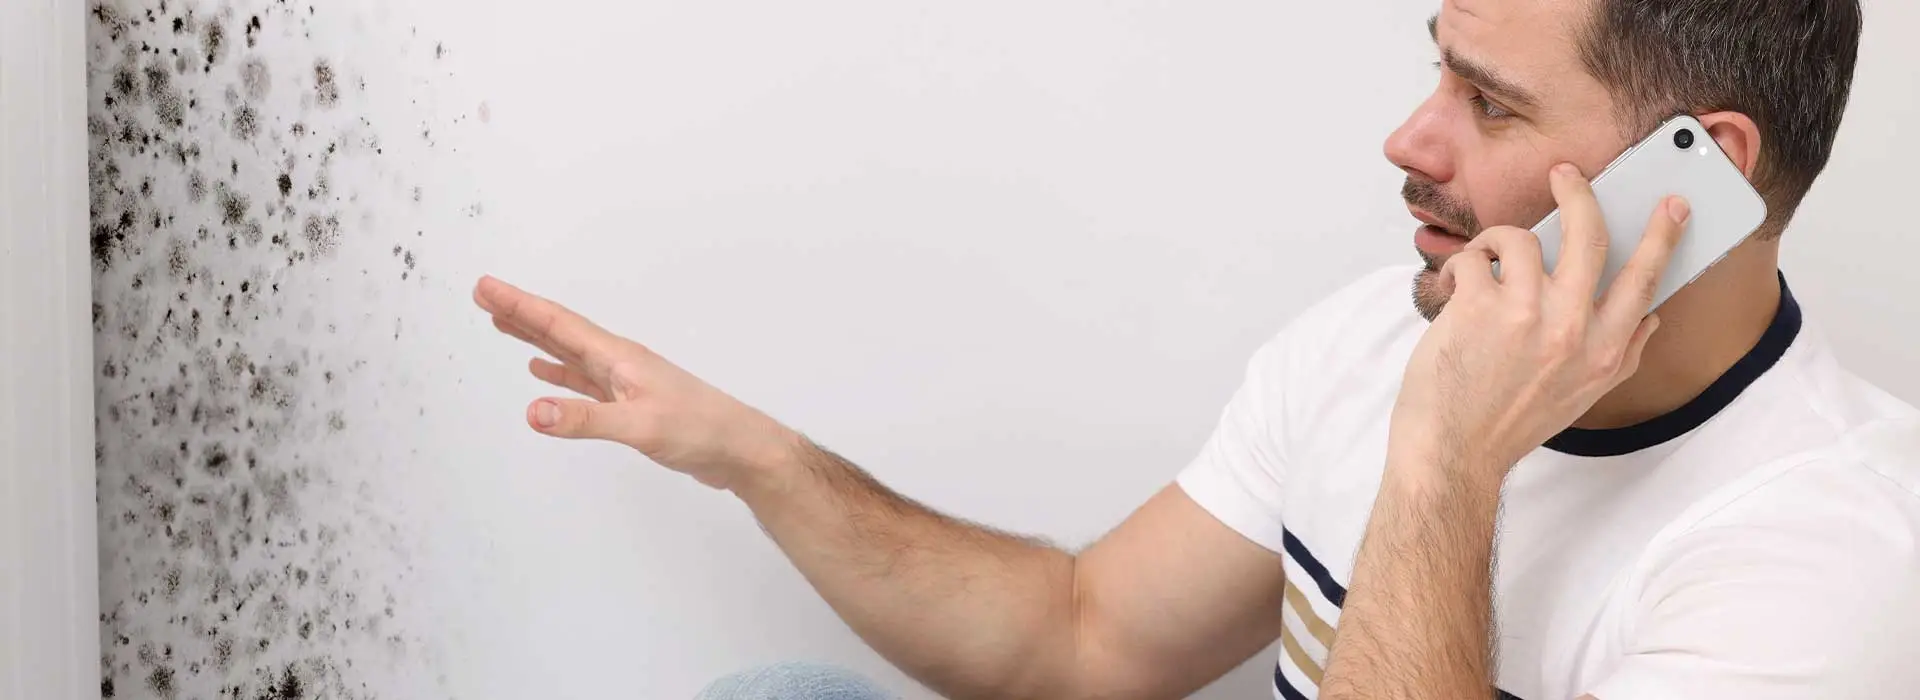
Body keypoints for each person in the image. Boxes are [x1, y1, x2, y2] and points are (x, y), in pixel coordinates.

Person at [472, 0, 1920, 698]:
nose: (1408, 141)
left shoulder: (1827, 566)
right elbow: (1084, 640)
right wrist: (760, 459)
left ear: (1691, 182)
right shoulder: (1379, 332)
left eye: (1488, 104)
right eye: (1435, 66)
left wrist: (1445, 465)